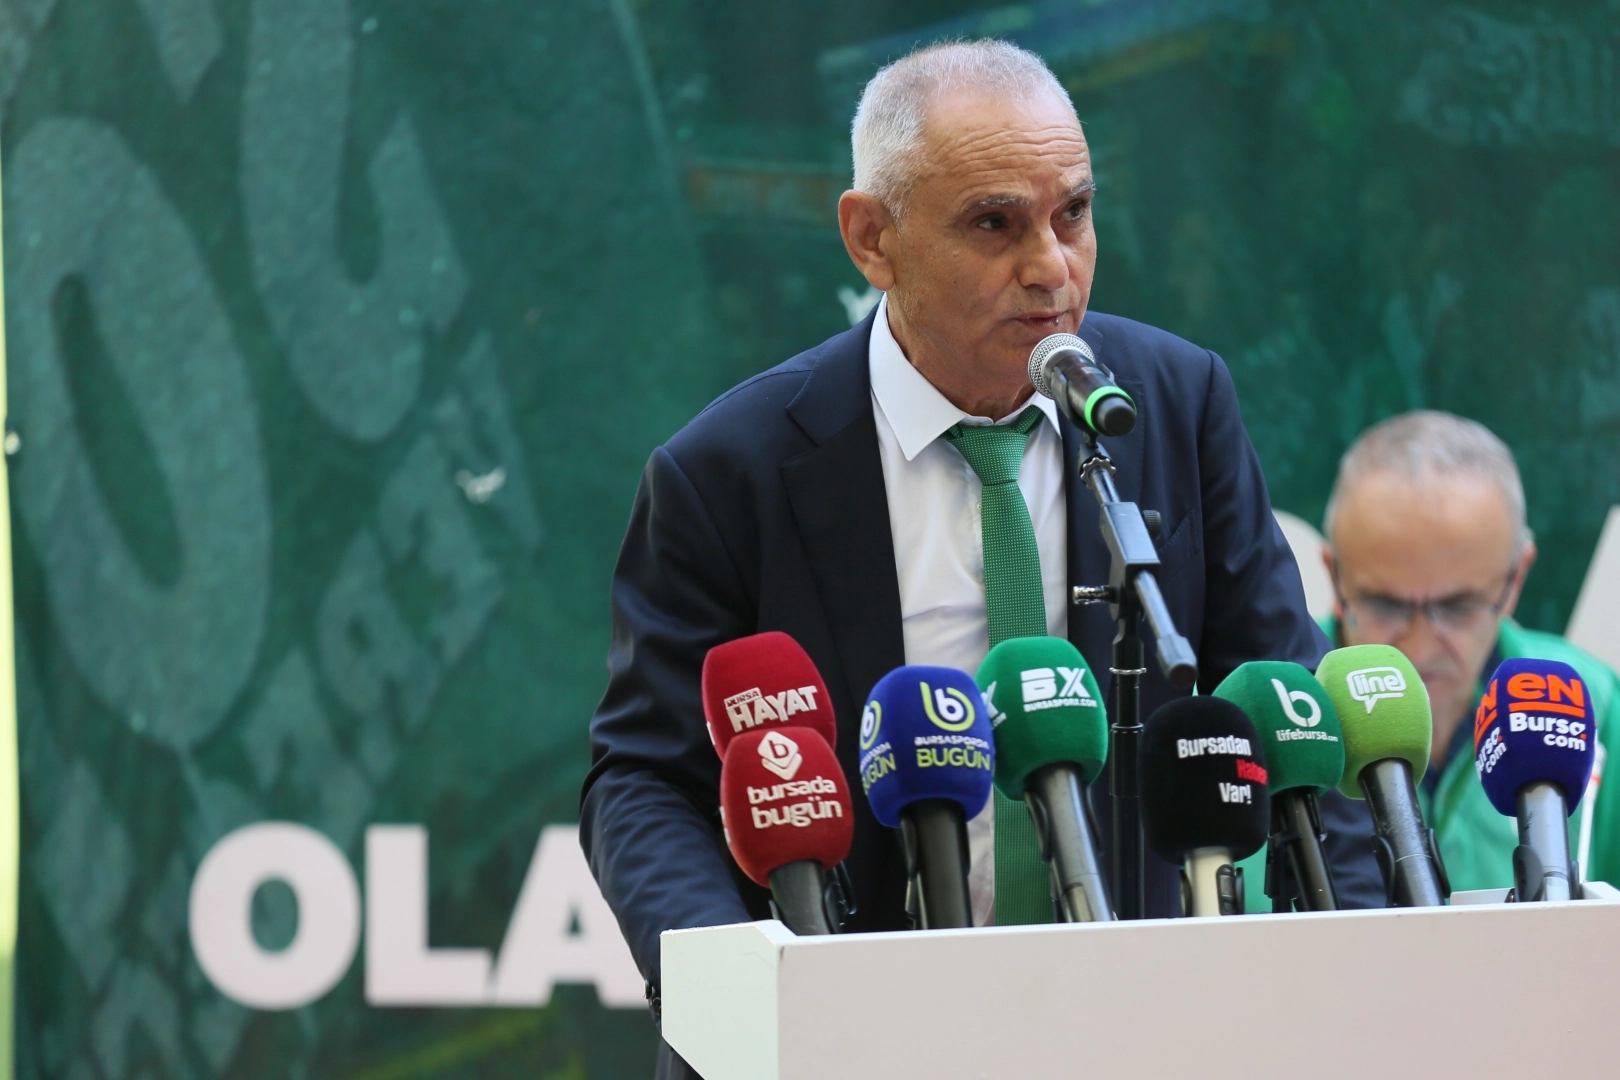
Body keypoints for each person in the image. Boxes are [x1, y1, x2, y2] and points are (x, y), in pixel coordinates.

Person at [581, 40, 1381, 1077]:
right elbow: (644, 779)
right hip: (843, 1042)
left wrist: (1367, 988)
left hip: (1138, 1030)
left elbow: (1294, 718)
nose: (1051, 266)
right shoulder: (729, 471)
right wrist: (735, 996)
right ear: (873, 239)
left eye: (1073, 213)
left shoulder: (1173, 406)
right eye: (995, 224)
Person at [1320, 409, 1620, 893]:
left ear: (1515, 579)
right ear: (1333, 576)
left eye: (1458, 607)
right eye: (1384, 605)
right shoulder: (1268, 716)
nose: (1419, 647)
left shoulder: (1596, 706)